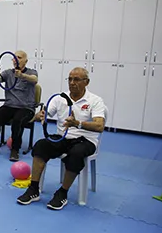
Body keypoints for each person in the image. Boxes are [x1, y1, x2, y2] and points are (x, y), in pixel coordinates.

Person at [17, 67, 106, 211]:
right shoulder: (60, 98)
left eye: (76, 79)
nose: (72, 82)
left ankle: (62, 193)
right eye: (70, 79)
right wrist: (39, 116)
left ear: (86, 82)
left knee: (76, 153)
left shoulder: (95, 101)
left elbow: (100, 126)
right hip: (63, 138)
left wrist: (77, 123)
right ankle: (34, 189)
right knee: (40, 145)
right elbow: (45, 114)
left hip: (86, 140)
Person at [0, 50, 38, 162]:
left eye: (19, 57)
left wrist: (22, 75)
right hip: (9, 105)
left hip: (26, 108)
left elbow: (35, 79)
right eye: (14, 57)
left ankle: (15, 149)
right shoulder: (8, 73)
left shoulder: (32, 72)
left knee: (17, 120)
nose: (16, 60)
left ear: (25, 61)